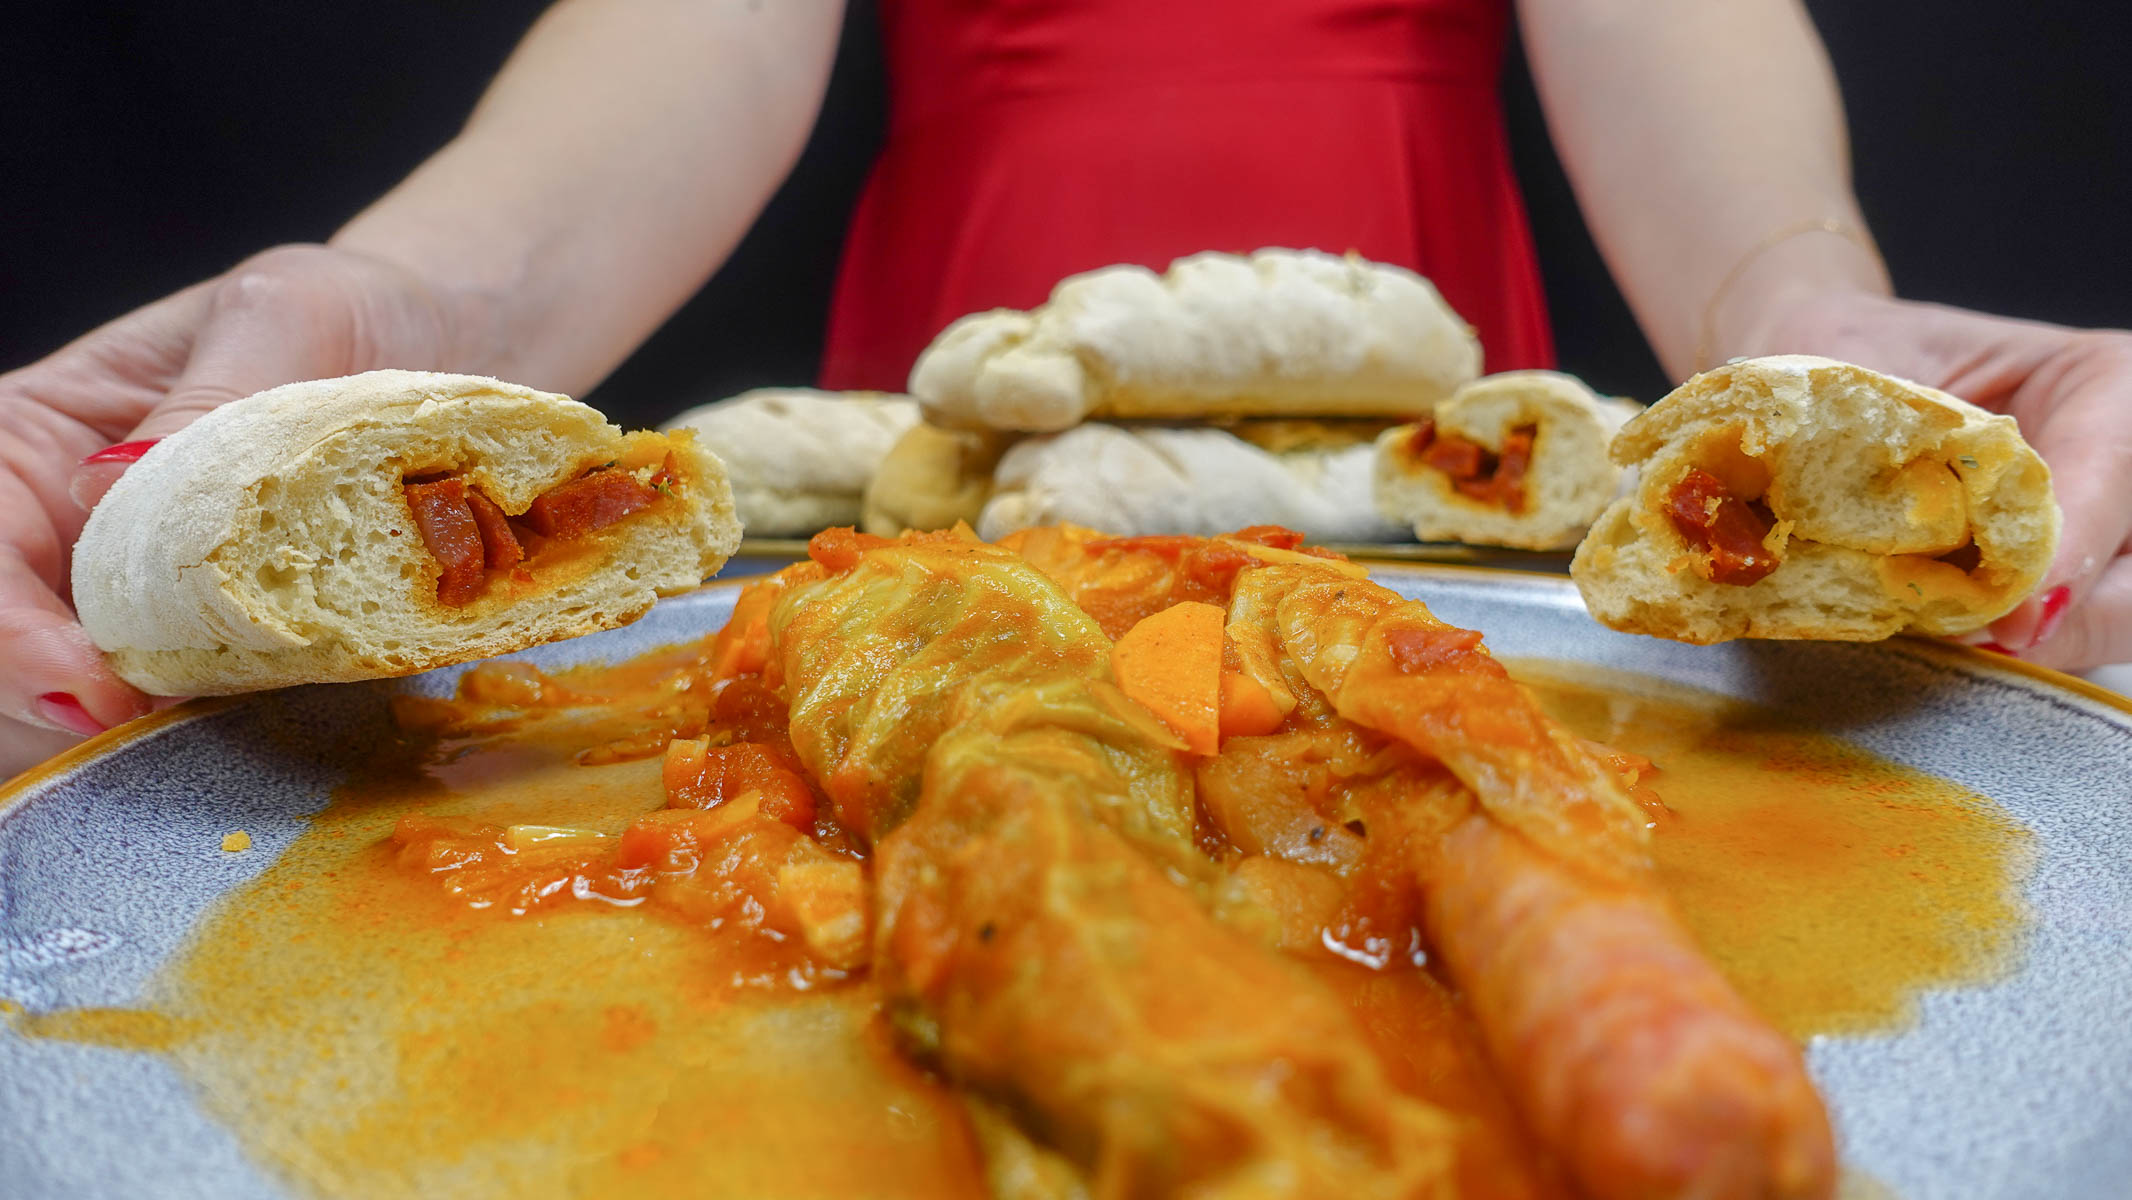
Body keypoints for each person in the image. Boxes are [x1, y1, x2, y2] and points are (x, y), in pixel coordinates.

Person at [2, 0, 2127, 776]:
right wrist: (382, 302)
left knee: (1398, 726)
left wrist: (1809, 329)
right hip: (974, 372)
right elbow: (700, 34)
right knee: (917, 711)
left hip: (1394, 377)